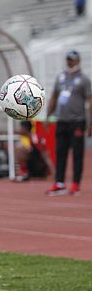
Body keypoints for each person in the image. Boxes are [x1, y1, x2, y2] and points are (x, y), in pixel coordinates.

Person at [46, 50, 92, 196]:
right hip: (62, 120)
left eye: (72, 60)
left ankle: (75, 184)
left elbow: (90, 101)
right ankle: (59, 183)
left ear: (78, 61)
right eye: (68, 60)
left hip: (77, 121)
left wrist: (90, 123)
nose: (69, 62)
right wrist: (48, 115)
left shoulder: (84, 79)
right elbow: (54, 96)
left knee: (77, 154)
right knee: (60, 152)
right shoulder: (61, 77)